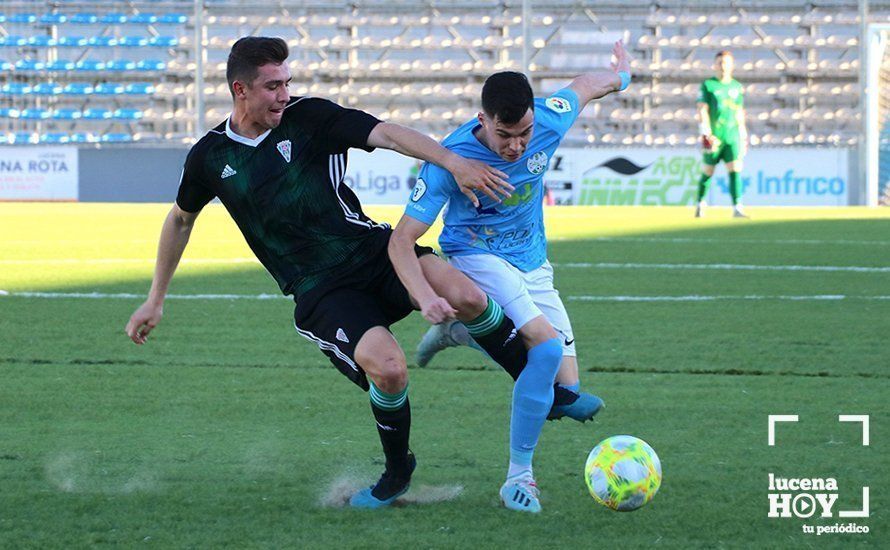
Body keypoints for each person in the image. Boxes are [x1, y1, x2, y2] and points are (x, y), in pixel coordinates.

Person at [124, 36, 535, 510]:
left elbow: (387, 133)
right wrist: (155, 298)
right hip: (319, 288)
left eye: (287, 82)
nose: (284, 94)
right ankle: (397, 472)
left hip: (371, 250)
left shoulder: (310, 117)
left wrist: (451, 160)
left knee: (467, 295)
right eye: (273, 86)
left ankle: (540, 388)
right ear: (241, 90)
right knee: (390, 369)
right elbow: (180, 219)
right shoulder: (210, 158)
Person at [388, 41, 632, 513]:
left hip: (533, 260)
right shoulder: (449, 160)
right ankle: (519, 479)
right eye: (505, 136)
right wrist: (421, 294)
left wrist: (623, 75)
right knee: (543, 347)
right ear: (482, 120)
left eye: (524, 133)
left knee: (564, 393)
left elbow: (586, 86)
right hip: (475, 252)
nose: (517, 145)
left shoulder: (549, 118)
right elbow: (401, 241)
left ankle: (462, 331)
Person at [695, 50, 749, 218]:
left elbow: (739, 112)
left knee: (735, 169)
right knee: (708, 171)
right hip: (714, 137)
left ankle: (737, 207)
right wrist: (706, 132)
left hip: (732, 136)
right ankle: (700, 203)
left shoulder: (737, 87)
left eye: (726, 62)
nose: (722, 66)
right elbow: (702, 109)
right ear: (714, 65)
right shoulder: (708, 85)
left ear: (731, 66)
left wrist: (743, 135)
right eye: (719, 62)